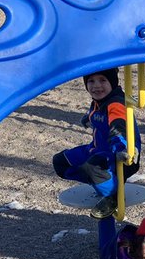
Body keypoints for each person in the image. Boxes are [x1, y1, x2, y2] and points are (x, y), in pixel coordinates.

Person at [52, 68, 139, 219]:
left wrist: (122, 149)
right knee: (60, 162)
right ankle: (104, 181)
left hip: (119, 155)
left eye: (103, 80)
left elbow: (119, 126)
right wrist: (88, 118)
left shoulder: (116, 104)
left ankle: (113, 195)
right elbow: (96, 112)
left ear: (112, 82)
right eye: (91, 81)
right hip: (97, 149)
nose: (96, 86)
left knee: (92, 168)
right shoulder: (99, 101)